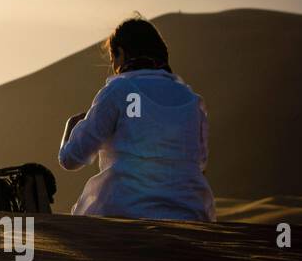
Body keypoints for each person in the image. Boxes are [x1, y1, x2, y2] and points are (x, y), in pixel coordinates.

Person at [60, 15, 214, 221]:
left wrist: (71, 126)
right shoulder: (192, 101)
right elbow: (200, 163)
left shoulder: (119, 90)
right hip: (191, 214)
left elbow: (71, 158)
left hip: (123, 212)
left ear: (121, 53)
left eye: (113, 58)